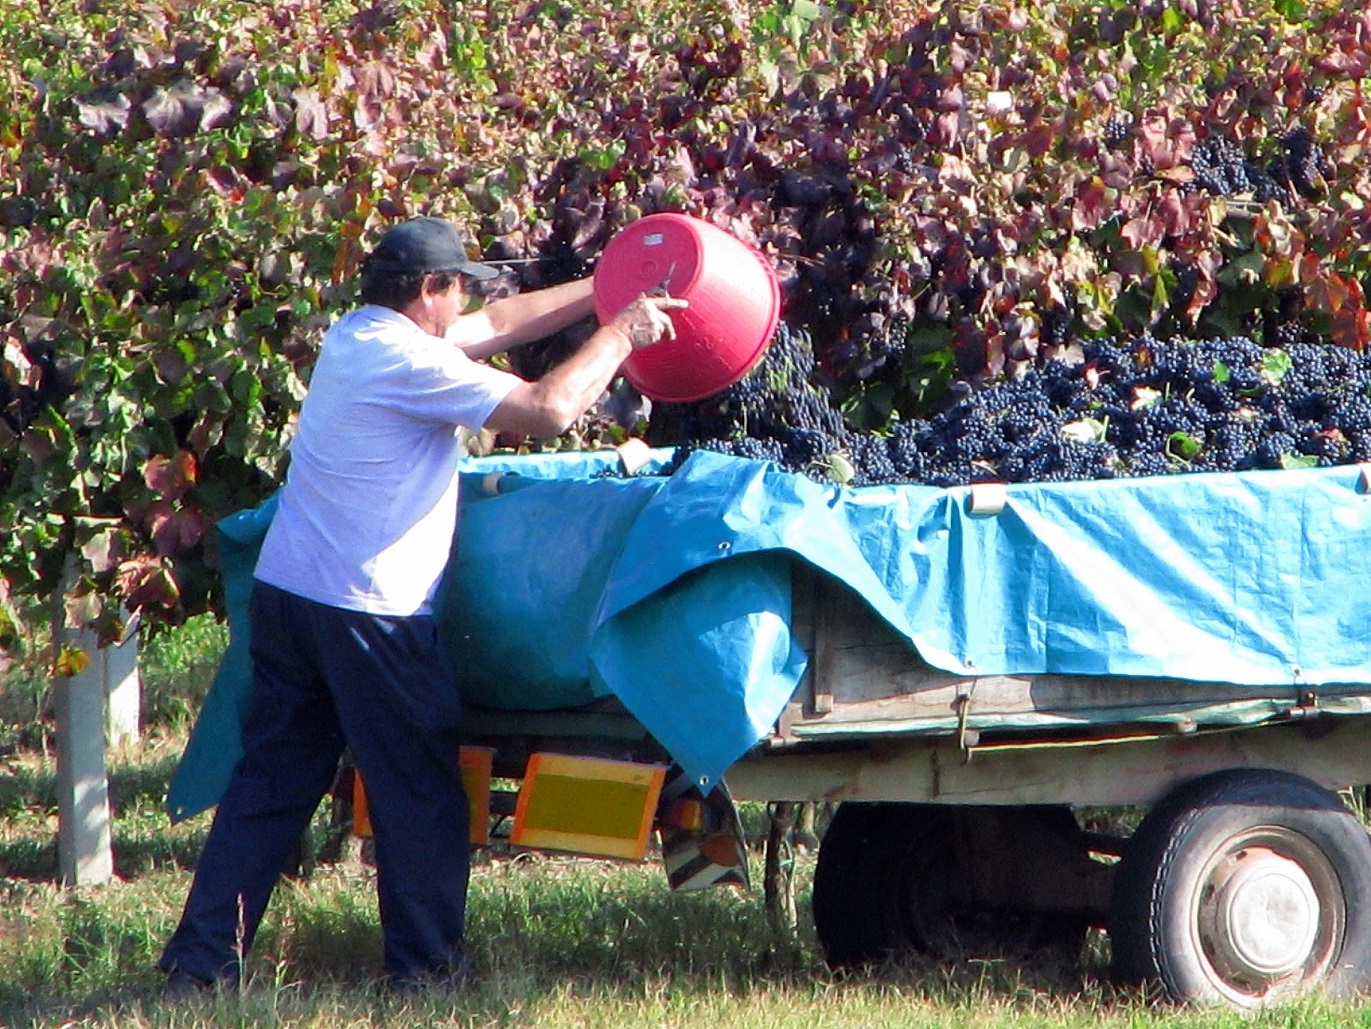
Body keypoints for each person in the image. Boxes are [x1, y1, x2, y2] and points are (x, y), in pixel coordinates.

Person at [158, 215, 686, 995]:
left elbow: (502, 322)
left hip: (292, 593)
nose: (467, 299)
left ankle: (199, 965)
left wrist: (608, 289)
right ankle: (426, 972)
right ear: (428, 290)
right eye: (458, 286)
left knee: (269, 786)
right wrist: (623, 335)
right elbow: (548, 407)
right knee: (420, 794)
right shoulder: (410, 364)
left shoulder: (357, 336)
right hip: (368, 612)